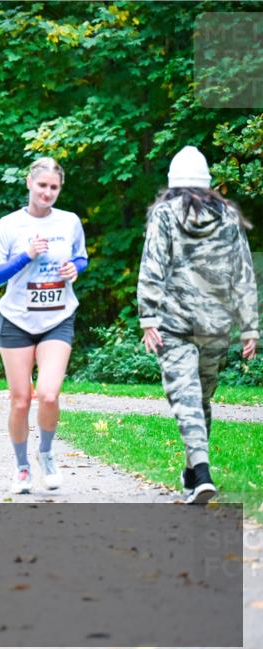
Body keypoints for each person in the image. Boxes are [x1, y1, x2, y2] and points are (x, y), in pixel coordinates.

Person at [138, 146, 258, 505]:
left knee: (189, 398)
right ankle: (197, 474)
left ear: (172, 182)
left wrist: (148, 316)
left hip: (174, 323)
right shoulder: (228, 216)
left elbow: (152, 264)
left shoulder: (163, 214)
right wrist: (249, 326)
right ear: (207, 183)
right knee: (199, 398)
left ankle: (198, 473)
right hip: (215, 325)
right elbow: (243, 272)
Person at [0, 157, 88, 494]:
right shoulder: (8, 225)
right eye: (42, 185)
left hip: (58, 317)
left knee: (49, 394)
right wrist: (25, 255)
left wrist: (75, 268)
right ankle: (22, 467)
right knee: (20, 400)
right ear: (29, 183)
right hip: (17, 320)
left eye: (54, 187)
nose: (47, 192)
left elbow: (81, 257)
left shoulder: (69, 222)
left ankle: (46, 453)